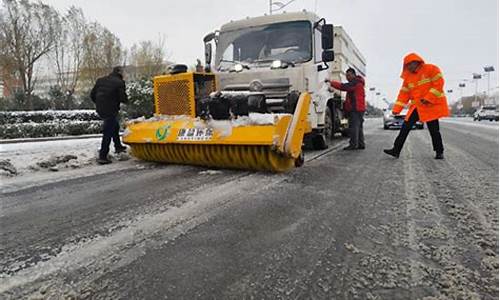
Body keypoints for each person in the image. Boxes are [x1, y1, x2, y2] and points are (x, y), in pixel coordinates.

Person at [383, 53, 449, 159]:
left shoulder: (431, 69)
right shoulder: (408, 78)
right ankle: (396, 150)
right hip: (417, 107)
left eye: (410, 64)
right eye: (406, 65)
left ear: (417, 62)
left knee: (434, 130)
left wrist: (428, 98)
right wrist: (396, 109)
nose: (409, 67)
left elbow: (439, 84)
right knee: (405, 127)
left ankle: (439, 152)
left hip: (430, 105)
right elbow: (403, 94)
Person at [91, 66, 128, 164]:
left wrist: (100, 103)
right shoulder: (120, 82)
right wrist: (127, 101)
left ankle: (118, 146)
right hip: (110, 109)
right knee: (108, 131)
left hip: (100, 107)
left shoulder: (100, 80)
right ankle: (103, 156)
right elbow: (123, 98)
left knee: (114, 125)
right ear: (120, 73)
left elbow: (92, 95)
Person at [325, 68, 366, 150]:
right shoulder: (358, 82)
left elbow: (343, 87)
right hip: (359, 108)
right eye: (346, 76)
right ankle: (361, 144)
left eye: (349, 75)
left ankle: (353, 145)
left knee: (354, 127)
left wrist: (330, 82)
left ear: (354, 75)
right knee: (359, 127)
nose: (347, 77)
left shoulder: (355, 83)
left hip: (356, 108)